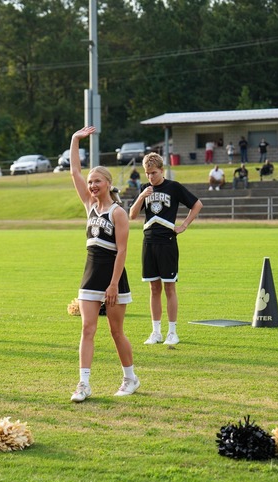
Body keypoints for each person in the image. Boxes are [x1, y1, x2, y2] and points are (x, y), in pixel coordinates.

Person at [68, 126, 139, 402]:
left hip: (113, 278)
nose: (92, 185)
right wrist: (75, 140)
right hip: (90, 275)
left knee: (115, 331)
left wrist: (113, 285)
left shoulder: (118, 212)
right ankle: (83, 384)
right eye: (90, 182)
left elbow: (121, 252)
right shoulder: (89, 205)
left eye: (97, 181)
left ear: (108, 183)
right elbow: (75, 171)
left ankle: (130, 378)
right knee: (87, 328)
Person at [129, 152, 203, 346]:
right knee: (153, 288)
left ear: (162, 170)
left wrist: (184, 226)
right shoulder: (145, 188)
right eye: (147, 173)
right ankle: (156, 332)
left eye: (153, 172)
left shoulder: (174, 187)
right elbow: (132, 216)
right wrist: (141, 197)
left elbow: (197, 204)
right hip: (148, 242)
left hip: (167, 242)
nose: (150, 177)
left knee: (169, 286)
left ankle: (172, 332)